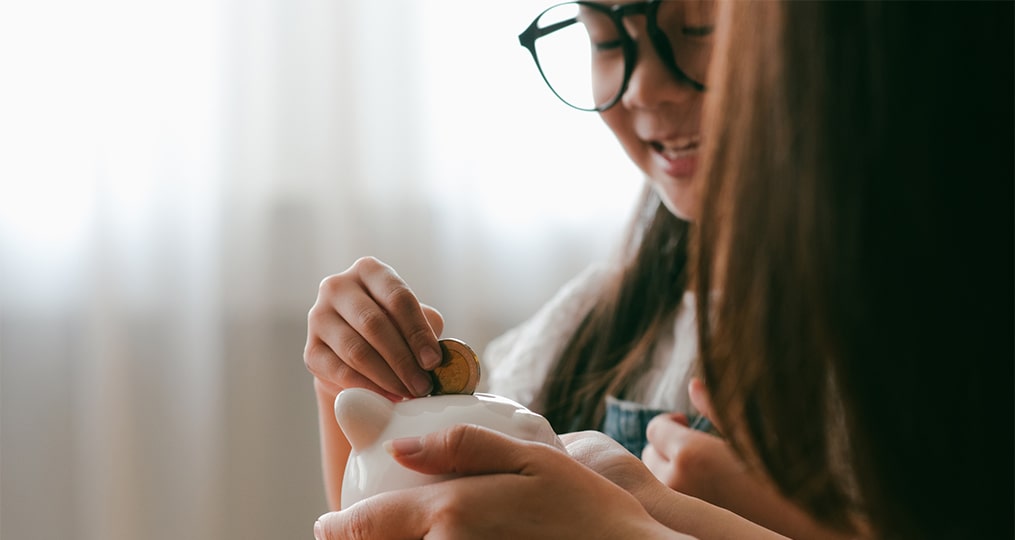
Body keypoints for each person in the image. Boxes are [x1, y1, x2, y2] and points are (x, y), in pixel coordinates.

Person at [312, 1, 1013, 538]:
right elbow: (407, 512)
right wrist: (352, 384)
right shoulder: (587, 327)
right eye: (604, 40)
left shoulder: (932, 343)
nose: (644, 88)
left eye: (697, 28)